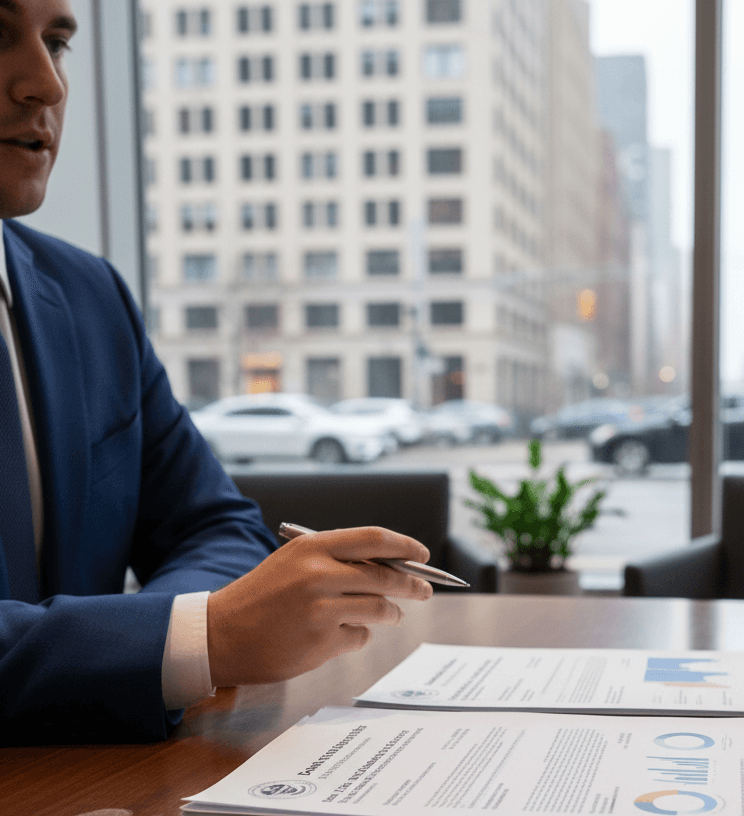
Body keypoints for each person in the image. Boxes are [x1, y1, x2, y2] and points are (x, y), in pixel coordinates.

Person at [0, 0, 432, 744]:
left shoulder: (90, 297)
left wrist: (184, 632)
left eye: (60, 43)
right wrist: (201, 639)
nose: (46, 84)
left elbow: (216, 524)